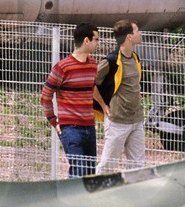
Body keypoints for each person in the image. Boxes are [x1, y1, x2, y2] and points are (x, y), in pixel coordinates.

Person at [41, 22, 106, 176]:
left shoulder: (92, 65)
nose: (98, 43)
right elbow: (45, 96)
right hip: (70, 128)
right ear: (86, 41)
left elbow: (91, 88)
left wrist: (103, 106)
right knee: (79, 172)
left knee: (89, 173)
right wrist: (53, 120)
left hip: (89, 127)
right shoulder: (63, 67)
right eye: (96, 39)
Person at [95, 19, 145, 173]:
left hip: (136, 120)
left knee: (137, 166)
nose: (140, 33)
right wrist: (103, 106)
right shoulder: (111, 60)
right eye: (137, 31)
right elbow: (91, 83)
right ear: (129, 37)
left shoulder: (135, 58)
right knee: (108, 165)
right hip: (118, 121)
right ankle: (94, 192)